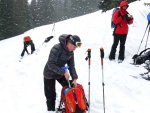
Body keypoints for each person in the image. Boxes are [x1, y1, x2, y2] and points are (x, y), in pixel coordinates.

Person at [43, 34, 82, 111]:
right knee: (51, 95)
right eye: (74, 47)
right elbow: (51, 64)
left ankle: (69, 106)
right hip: (49, 73)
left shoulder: (71, 52)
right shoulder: (57, 48)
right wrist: (63, 72)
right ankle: (51, 110)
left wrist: (74, 78)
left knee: (69, 88)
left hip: (60, 73)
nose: (75, 49)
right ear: (70, 43)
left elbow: (71, 66)